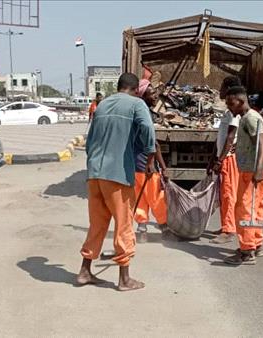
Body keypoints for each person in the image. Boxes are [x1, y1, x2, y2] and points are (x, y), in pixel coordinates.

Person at [78, 73, 155, 291]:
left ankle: (85, 271)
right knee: (124, 225)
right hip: (118, 174)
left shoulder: (101, 105)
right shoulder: (137, 105)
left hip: (95, 174)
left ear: (119, 86)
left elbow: (89, 140)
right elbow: (148, 130)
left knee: (97, 224)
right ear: (135, 89)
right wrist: (150, 158)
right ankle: (124, 279)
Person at [223, 86, 263, 266]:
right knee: (256, 210)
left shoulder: (251, 118)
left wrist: (257, 170)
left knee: (245, 210)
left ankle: (246, 251)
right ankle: (256, 245)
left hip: (253, 172)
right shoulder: (246, 118)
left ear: (241, 101)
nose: (229, 107)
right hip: (255, 170)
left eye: (231, 103)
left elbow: (261, 144)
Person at [207, 76, 242, 244]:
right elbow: (220, 138)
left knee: (229, 194)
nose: (219, 90)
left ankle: (229, 230)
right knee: (223, 194)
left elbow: (230, 137)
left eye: (221, 87)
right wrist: (213, 158)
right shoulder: (228, 112)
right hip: (224, 156)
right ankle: (225, 225)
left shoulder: (234, 114)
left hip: (228, 159)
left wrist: (220, 160)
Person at [134, 79, 168, 242]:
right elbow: (153, 143)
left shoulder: (137, 111)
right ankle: (165, 227)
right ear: (142, 95)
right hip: (146, 164)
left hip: (135, 164)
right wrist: (160, 166)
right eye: (152, 92)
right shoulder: (145, 113)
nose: (156, 95)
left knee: (140, 197)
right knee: (156, 197)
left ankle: (142, 231)